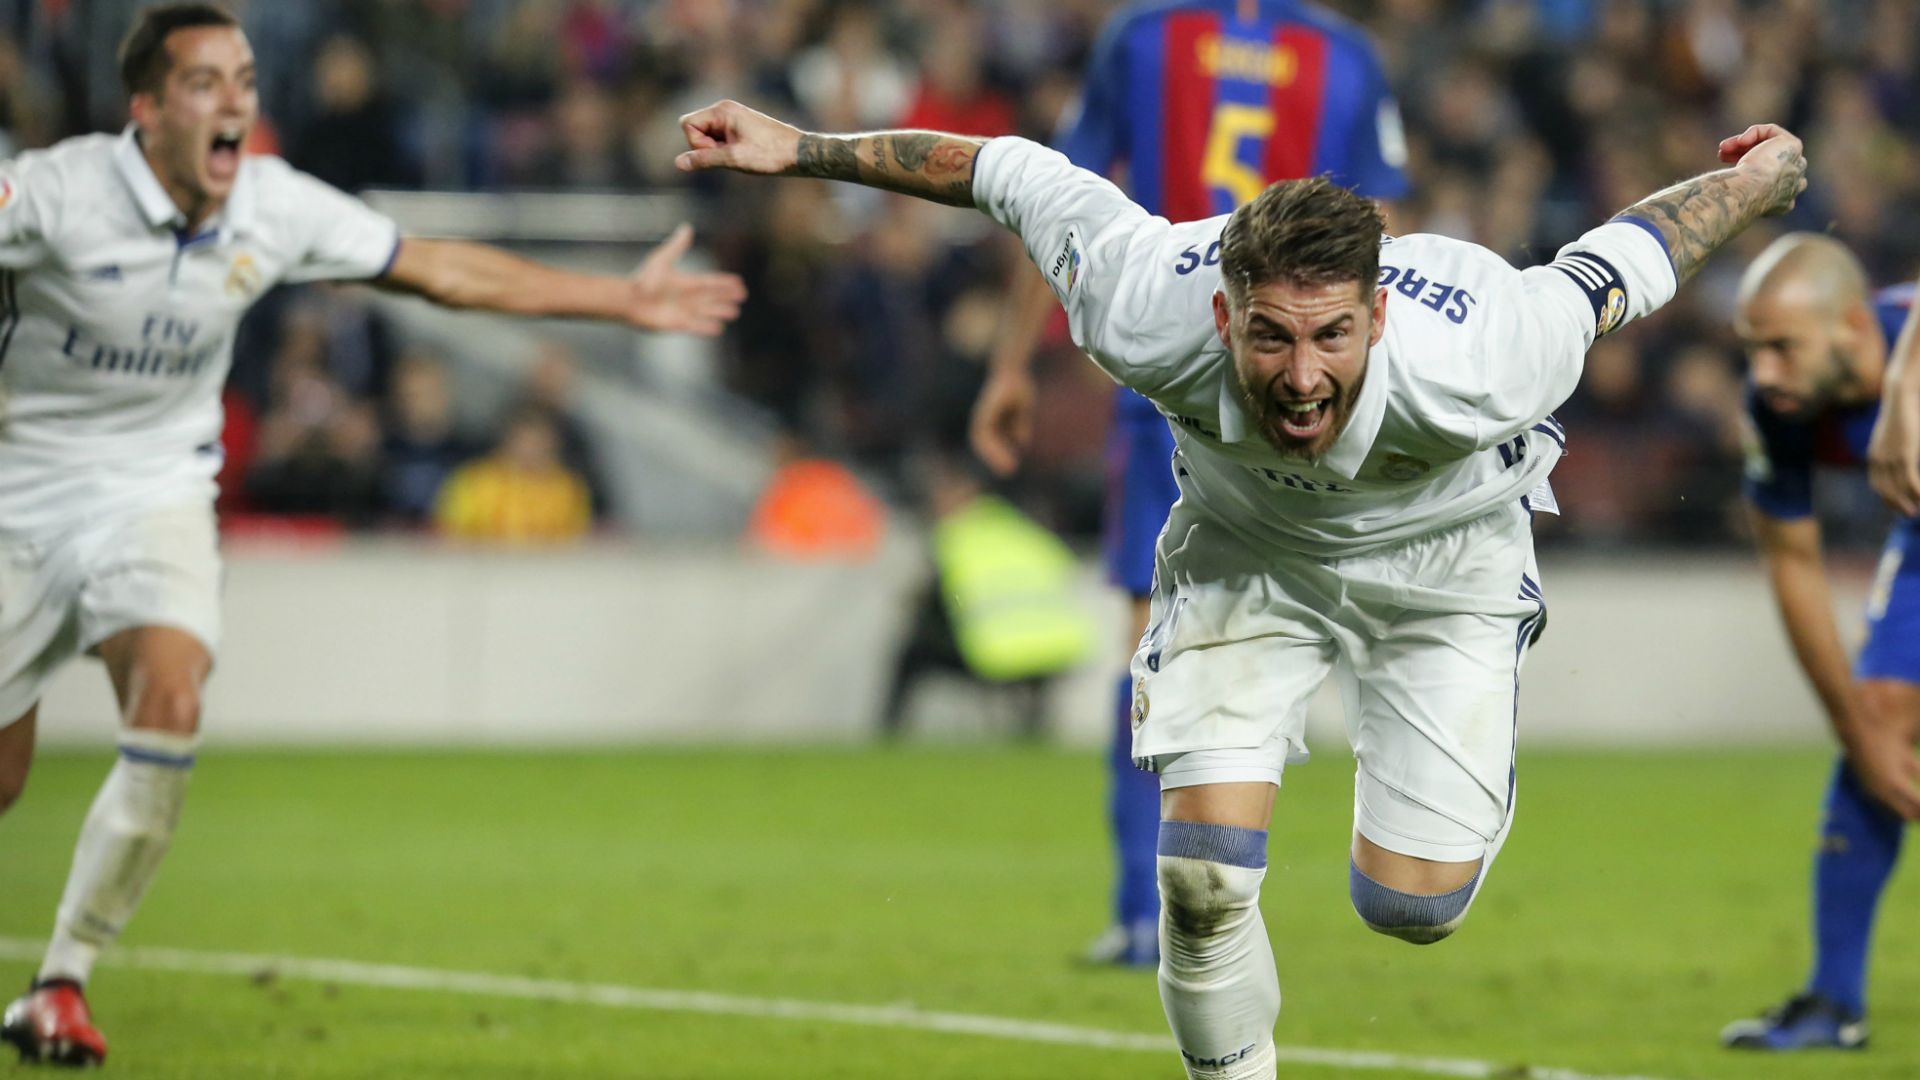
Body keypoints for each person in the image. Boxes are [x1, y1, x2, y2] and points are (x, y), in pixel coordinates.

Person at [673, 98, 1805, 1080]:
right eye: (1268, 338)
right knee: (1202, 886)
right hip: (1246, 559)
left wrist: (1756, 180)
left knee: (1411, 907)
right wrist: (804, 148)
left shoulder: (1492, 346)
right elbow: (1005, 172)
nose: (1302, 376)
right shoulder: (1147, 297)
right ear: (1222, 315)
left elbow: (1638, 248)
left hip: (1447, 581)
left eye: (1331, 337)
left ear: (1380, 317)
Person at [0, 4, 744, 1067]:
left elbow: (441, 267)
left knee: (171, 692)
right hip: (20, 489)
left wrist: (616, 300)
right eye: (207, 83)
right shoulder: (57, 193)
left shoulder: (271, 204)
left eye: (247, 80)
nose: (237, 103)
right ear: (146, 108)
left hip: (156, 489)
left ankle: (59, 981)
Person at [968, 0, 1407, 968]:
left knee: (1152, 653)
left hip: (1176, 383)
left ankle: (1145, 914)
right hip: (1312, 393)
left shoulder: (1146, 36)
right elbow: (1387, 240)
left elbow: (1061, 203)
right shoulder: (1341, 56)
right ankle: (1233, 889)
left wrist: (1010, 364)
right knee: (1307, 636)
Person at [1716, 235, 1920, 1052]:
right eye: (1753, 349)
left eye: (1782, 348)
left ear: (1849, 326)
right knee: (1880, 712)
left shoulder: (1902, 330)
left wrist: (1907, 379)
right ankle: (1833, 1003)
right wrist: (1858, 734)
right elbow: (1793, 564)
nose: (1763, 372)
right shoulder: (1778, 408)